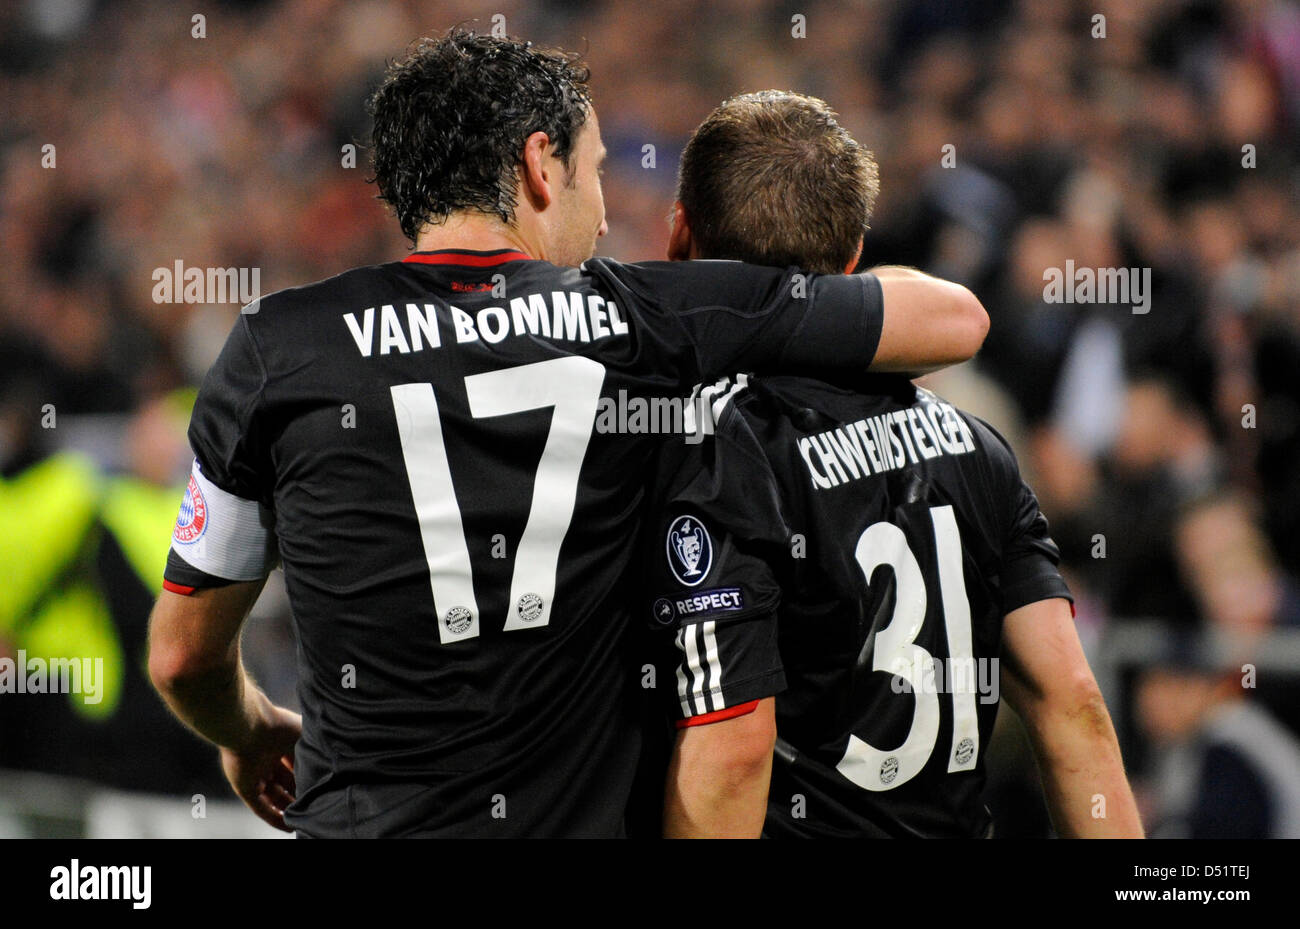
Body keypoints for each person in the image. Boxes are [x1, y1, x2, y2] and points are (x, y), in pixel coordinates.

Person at [145, 32, 988, 838]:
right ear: (539, 164)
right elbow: (953, 320)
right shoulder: (641, 319)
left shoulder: (276, 345)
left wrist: (251, 728)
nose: (609, 211)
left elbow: (181, 658)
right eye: (596, 170)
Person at [642, 91, 1141, 838]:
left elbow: (735, 752)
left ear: (679, 237)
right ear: (853, 259)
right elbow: (1075, 706)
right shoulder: (977, 446)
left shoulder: (722, 448)